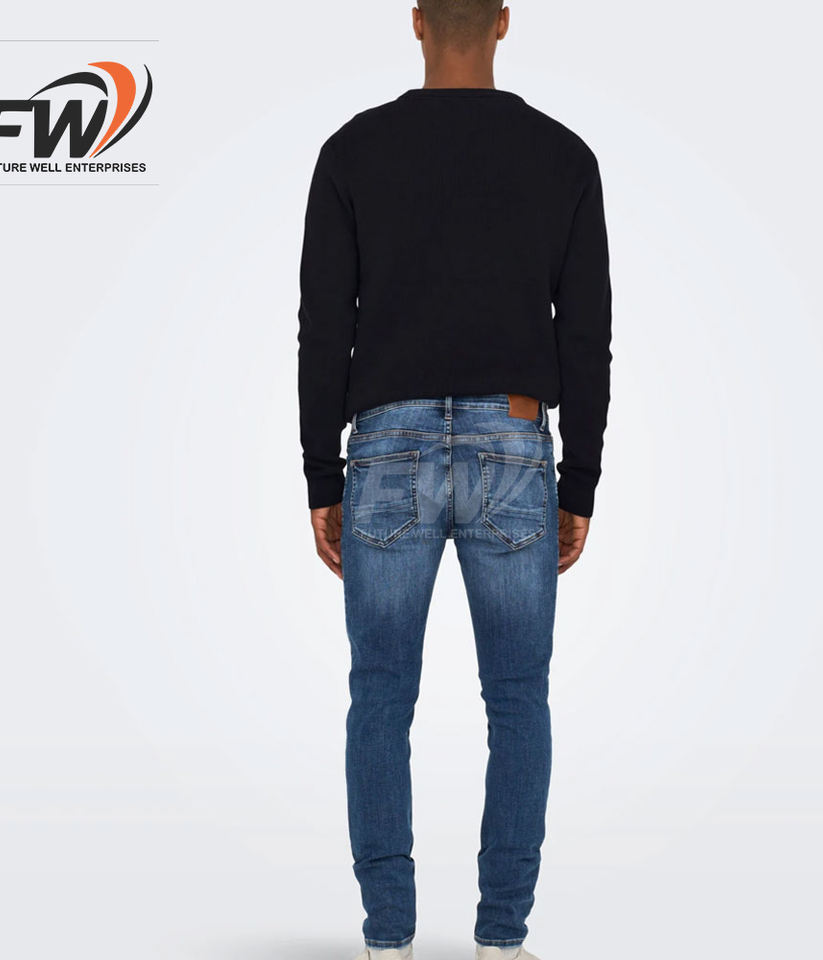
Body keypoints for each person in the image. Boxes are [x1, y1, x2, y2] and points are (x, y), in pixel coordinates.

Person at [296, 3, 612, 958]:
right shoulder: (563, 157)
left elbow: (323, 328)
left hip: (384, 451)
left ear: (418, 22)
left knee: (380, 695)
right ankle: (501, 938)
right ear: (504, 23)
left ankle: (388, 937)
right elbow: (586, 337)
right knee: (517, 698)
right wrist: (578, 484)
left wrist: (322, 475)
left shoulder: (353, 152)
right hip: (514, 445)